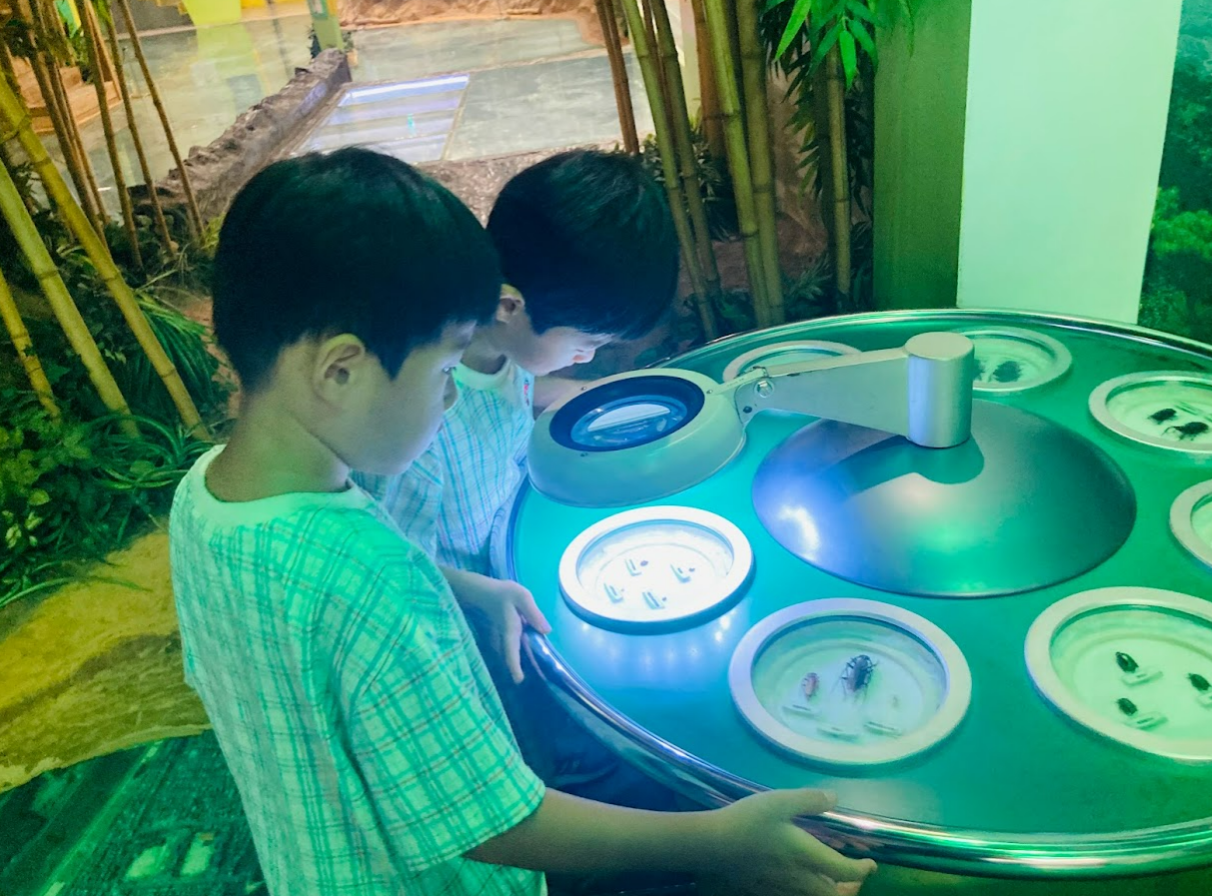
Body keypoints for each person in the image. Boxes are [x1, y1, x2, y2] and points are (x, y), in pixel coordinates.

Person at [170, 147, 877, 896]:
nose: (451, 397)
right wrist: (717, 843)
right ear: (339, 370)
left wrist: (464, 588)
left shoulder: (202, 499)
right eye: (442, 370)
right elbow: (494, 822)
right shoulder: (371, 575)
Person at [351, 150, 681, 795]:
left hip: (504, 561)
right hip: (466, 617)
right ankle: (544, 783)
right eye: (586, 342)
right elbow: (385, 563)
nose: (587, 357)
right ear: (509, 305)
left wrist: (601, 401)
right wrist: (477, 594)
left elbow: (521, 389)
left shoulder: (506, 349)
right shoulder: (419, 419)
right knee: (519, 728)